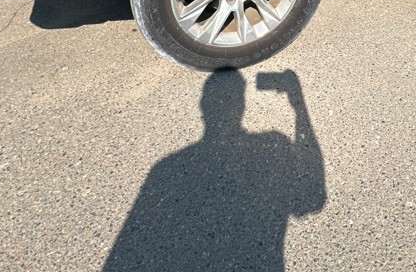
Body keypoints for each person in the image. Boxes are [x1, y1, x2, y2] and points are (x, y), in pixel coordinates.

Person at [103, 69, 325, 271]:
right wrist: (299, 106)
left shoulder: (166, 168)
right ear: (243, 106)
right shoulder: (274, 144)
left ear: (201, 107)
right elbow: (312, 200)